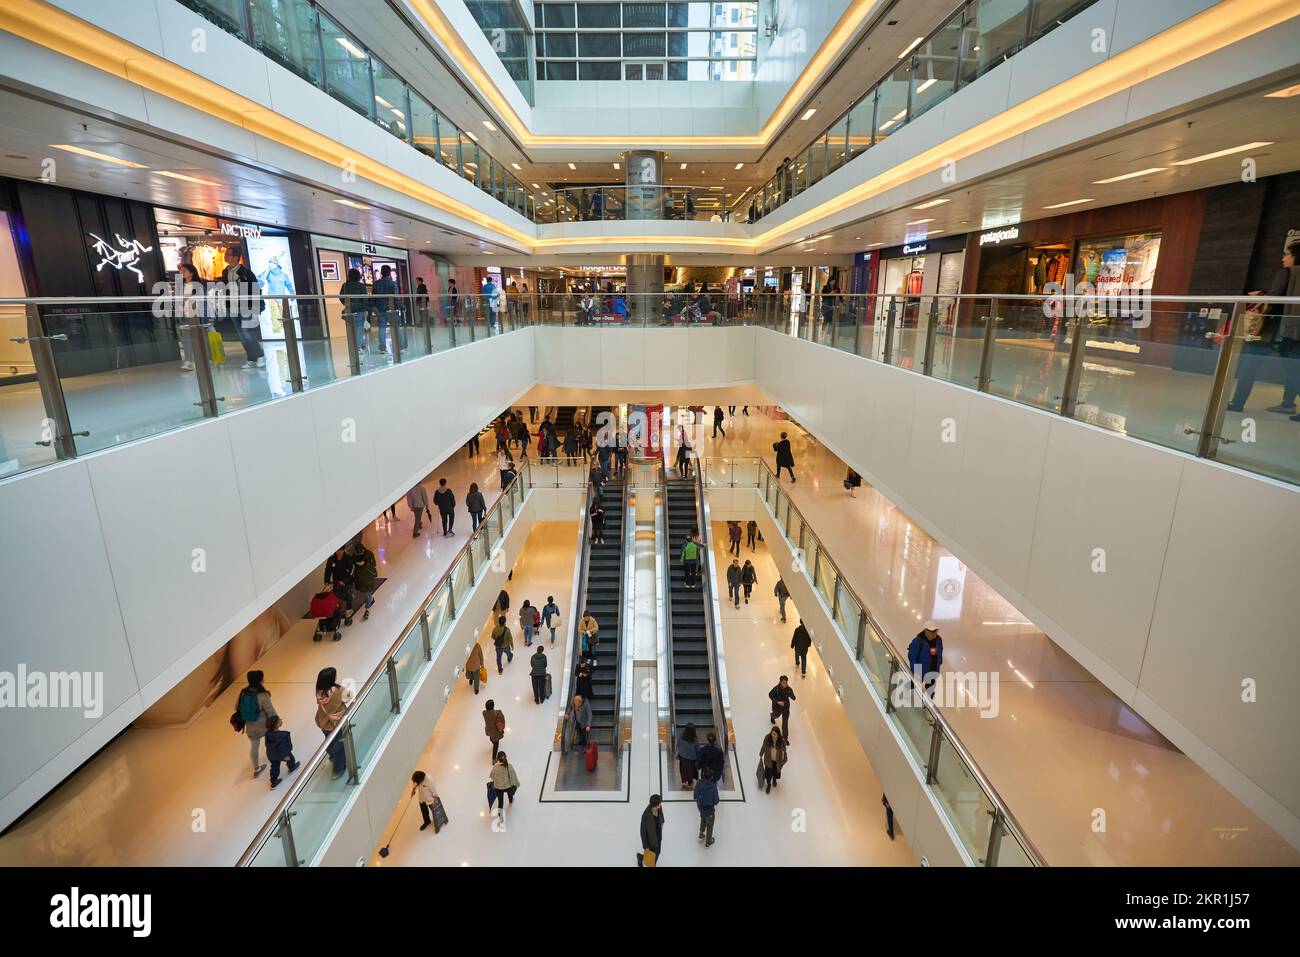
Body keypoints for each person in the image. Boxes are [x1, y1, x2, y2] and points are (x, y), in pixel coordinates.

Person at [1231, 239, 1300, 413]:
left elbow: (1273, 298)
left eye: (1286, 254)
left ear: (1295, 256)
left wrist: (1261, 294)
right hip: (1293, 331)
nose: (1283, 258)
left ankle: (1237, 403)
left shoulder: (1286, 273)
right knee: (1292, 370)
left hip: (1270, 330)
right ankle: (1287, 404)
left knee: (1249, 365)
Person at [224, 256, 265, 369]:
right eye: (226, 254)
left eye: (229, 254)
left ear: (235, 257)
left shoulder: (246, 272)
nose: (226, 256)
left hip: (247, 306)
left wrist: (256, 307)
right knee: (242, 335)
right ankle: (251, 358)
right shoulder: (225, 272)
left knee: (247, 332)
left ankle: (259, 355)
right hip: (233, 307)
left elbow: (255, 288)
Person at [237, 670, 276, 778]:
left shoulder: (243, 693)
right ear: (259, 680)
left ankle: (257, 769)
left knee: (254, 747)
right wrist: (278, 721)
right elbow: (271, 712)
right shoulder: (263, 695)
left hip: (251, 727)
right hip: (265, 726)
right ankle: (276, 761)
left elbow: (237, 707)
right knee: (272, 743)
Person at [315, 667, 350, 780]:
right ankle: (338, 769)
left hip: (323, 722)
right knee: (339, 744)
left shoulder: (319, 692)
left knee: (329, 740)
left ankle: (332, 755)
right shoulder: (338, 691)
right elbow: (350, 696)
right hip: (336, 722)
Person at [908, 620, 943, 698]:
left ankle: (927, 703)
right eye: (931, 631)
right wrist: (916, 672)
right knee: (915, 689)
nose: (934, 633)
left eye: (935, 631)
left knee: (930, 690)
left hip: (933, 670)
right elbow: (912, 657)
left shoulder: (938, 640)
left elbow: (940, 652)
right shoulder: (918, 641)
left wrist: (939, 662)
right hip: (921, 671)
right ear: (925, 631)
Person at [323, 546, 356, 625]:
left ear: (343, 550)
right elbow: (328, 571)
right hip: (336, 583)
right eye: (337, 550)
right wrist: (327, 581)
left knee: (349, 597)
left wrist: (344, 581)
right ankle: (335, 616)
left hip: (347, 583)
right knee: (335, 599)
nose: (339, 552)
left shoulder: (348, 559)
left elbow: (351, 571)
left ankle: (348, 615)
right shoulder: (331, 559)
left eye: (340, 550)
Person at [340, 267, 369, 358]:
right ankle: (358, 347)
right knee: (359, 329)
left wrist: (346, 304)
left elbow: (341, 297)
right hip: (359, 310)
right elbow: (364, 299)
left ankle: (362, 346)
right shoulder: (361, 286)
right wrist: (366, 309)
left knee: (353, 330)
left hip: (348, 311)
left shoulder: (345, 285)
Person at [264, 714, 298, 789]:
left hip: (271, 754)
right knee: (290, 758)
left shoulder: (268, 734)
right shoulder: (282, 736)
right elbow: (283, 748)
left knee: (274, 767)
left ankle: (273, 782)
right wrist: (285, 756)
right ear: (277, 725)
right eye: (280, 720)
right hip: (282, 753)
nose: (281, 720)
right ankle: (292, 767)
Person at [371, 264, 399, 353]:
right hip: (391, 308)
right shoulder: (392, 283)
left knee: (382, 328)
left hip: (380, 308)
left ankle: (382, 348)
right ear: (389, 272)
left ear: (382, 272)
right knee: (395, 327)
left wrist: (374, 308)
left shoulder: (376, 284)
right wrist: (400, 306)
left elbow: (374, 297)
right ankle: (400, 347)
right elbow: (396, 297)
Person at [350, 539, 378, 621]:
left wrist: (365, 564)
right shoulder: (353, 556)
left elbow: (374, 565)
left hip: (368, 579)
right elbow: (353, 568)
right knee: (366, 593)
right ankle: (371, 600)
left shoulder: (369, 554)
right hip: (359, 580)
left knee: (367, 594)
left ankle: (367, 609)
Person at [488, 751, 520, 818]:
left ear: (497, 759)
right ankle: (510, 800)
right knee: (509, 793)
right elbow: (513, 776)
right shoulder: (509, 766)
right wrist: (517, 784)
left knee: (500, 801)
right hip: (507, 786)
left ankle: (500, 815)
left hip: (498, 788)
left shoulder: (495, 767)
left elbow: (492, 777)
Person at [758, 726, 788, 794]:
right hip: (768, 760)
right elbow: (763, 745)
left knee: (776, 772)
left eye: (774, 734)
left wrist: (784, 760)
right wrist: (761, 753)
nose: (773, 735)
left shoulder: (781, 741)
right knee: (768, 775)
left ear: (778, 734)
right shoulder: (767, 738)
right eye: (772, 733)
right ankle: (769, 784)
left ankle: (774, 779)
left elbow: (784, 751)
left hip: (777, 761)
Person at [694, 767, 719, 847]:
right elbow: (716, 801)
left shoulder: (699, 783)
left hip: (700, 807)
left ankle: (701, 833)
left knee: (703, 818)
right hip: (709, 810)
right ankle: (708, 841)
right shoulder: (713, 787)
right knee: (710, 825)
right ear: (711, 777)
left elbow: (695, 795)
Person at [638, 795, 665, 867]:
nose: (660, 805)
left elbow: (661, 816)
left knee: (658, 851)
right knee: (653, 854)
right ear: (654, 806)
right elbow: (642, 832)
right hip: (650, 839)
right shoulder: (645, 815)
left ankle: (641, 857)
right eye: (659, 804)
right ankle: (652, 864)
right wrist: (645, 846)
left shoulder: (659, 807)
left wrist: (662, 822)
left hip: (658, 833)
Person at [768, 675, 796, 742]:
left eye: (786, 683)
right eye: (783, 683)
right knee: (775, 716)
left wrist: (791, 695)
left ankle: (785, 738)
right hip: (777, 708)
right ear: (780, 682)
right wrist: (778, 702)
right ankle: (772, 716)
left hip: (786, 709)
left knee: (785, 724)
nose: (785, 684)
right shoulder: (776, 689)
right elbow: (770, 695)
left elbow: (794, 698)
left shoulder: (789, 689)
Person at [675, 723, 699, 789]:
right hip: (692, 759)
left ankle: (684, 782)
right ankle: (690, 782)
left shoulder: (682, 735)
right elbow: (697, 750)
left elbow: (678, 744)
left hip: (683, 757)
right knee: (691, 771)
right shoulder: (695, 740)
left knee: (683, 770)